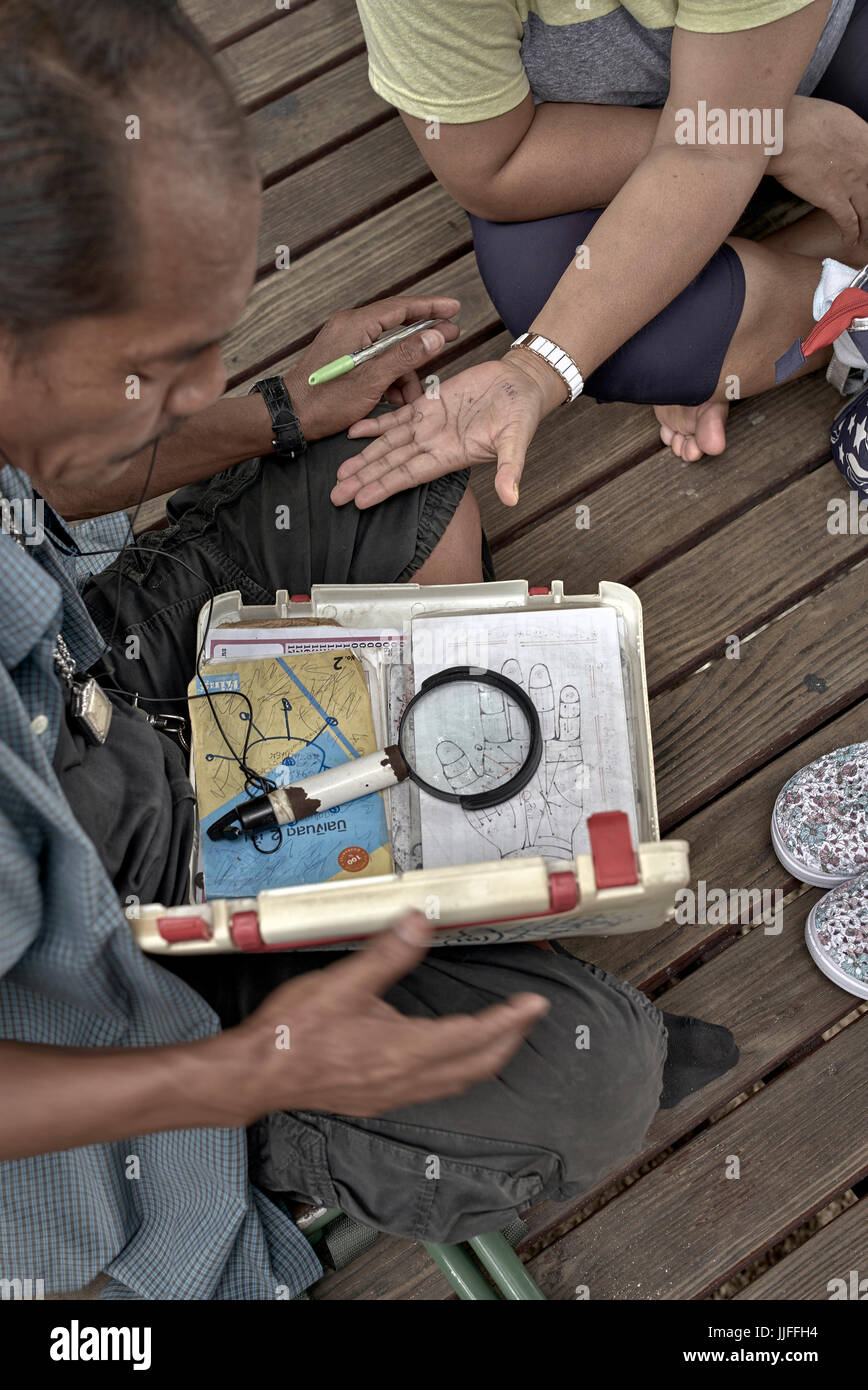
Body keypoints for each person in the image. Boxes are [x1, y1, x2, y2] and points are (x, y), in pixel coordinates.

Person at [0, 0, 737, 1300]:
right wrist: (248, 1069)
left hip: (97, 696)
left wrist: (279, 413)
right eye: (166, 366)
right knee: (597, 1074)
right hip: (96, 1026)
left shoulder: (38, 399)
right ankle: (304, 1042)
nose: (204, 380)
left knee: (398, 470)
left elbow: (60, 474)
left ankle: (373, 937)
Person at [335, 0, 868, 510]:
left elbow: (711, 147)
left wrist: (737, 139)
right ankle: (830, 297)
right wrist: (772, 136)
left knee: (634, 319)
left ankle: (790, 306)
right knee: (610, 327)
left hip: (820, 47)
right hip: (585, 141)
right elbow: (494, 167)